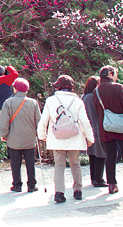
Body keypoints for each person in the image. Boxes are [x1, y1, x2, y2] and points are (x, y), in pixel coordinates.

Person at [37, 75, 94, 203]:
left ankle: (59, 192)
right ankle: (77, 190)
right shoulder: (78, 101)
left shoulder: (51, 100)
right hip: (74, 137)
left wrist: (42, 136)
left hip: (57, 137)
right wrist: (90, 138)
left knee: (59, 166)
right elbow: (85, 122)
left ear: (59, 86)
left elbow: (43, 120)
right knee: (75, 164)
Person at [93, 65, 123, 195]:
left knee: (110, 157)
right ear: (110, 74)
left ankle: (112, 185)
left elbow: (97, 109)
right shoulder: (118, 87)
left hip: (106, 127)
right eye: (115, 74)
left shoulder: (96, 91)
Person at [0, 77, 42, 193]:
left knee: (15, 162)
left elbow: (4, 121)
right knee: (30, 162)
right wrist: (40, 134)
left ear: (16, 89)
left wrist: (3, 134)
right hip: (29, 138)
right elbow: (39, 120)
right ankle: (32, 185)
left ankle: (17, 185)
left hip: (14, 138)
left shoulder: (8, 102)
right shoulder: (33, 103)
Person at [82, 75, 107, 187]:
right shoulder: (95, 97)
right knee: (101, 154)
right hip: (98, 128)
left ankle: (94, 178)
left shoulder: (84, 97)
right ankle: (98, 178)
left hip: (88, 129)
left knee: (92, 154)